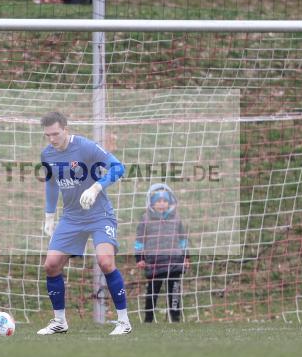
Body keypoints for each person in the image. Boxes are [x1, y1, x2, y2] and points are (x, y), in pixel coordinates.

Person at [38, 112, 131, 335]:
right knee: (51, 265)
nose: (52, 139)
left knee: (105, 262)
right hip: (71, 217)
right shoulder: (47, 154)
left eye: (56, 133)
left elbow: (118, 167)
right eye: (48, 135)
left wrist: (96, 187)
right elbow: (51, 184)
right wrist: (49, 216)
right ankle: (59, 321)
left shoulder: (86, 147)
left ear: (66, 129)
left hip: (99, 214)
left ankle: (124, 322)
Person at [135, 183, 189, 323]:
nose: (162, 204)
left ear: (170, 202)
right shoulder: (145, 219)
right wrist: (139, 258)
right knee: (152, 292)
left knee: (174, 291)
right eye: (158, 201)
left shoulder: (176, 218)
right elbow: (140, 240)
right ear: (152, 203)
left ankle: (175, 318)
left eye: (165, 201)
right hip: (154, 262)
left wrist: (185, 257)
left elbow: (183, 239)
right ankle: (148, 319)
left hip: (174, 260)